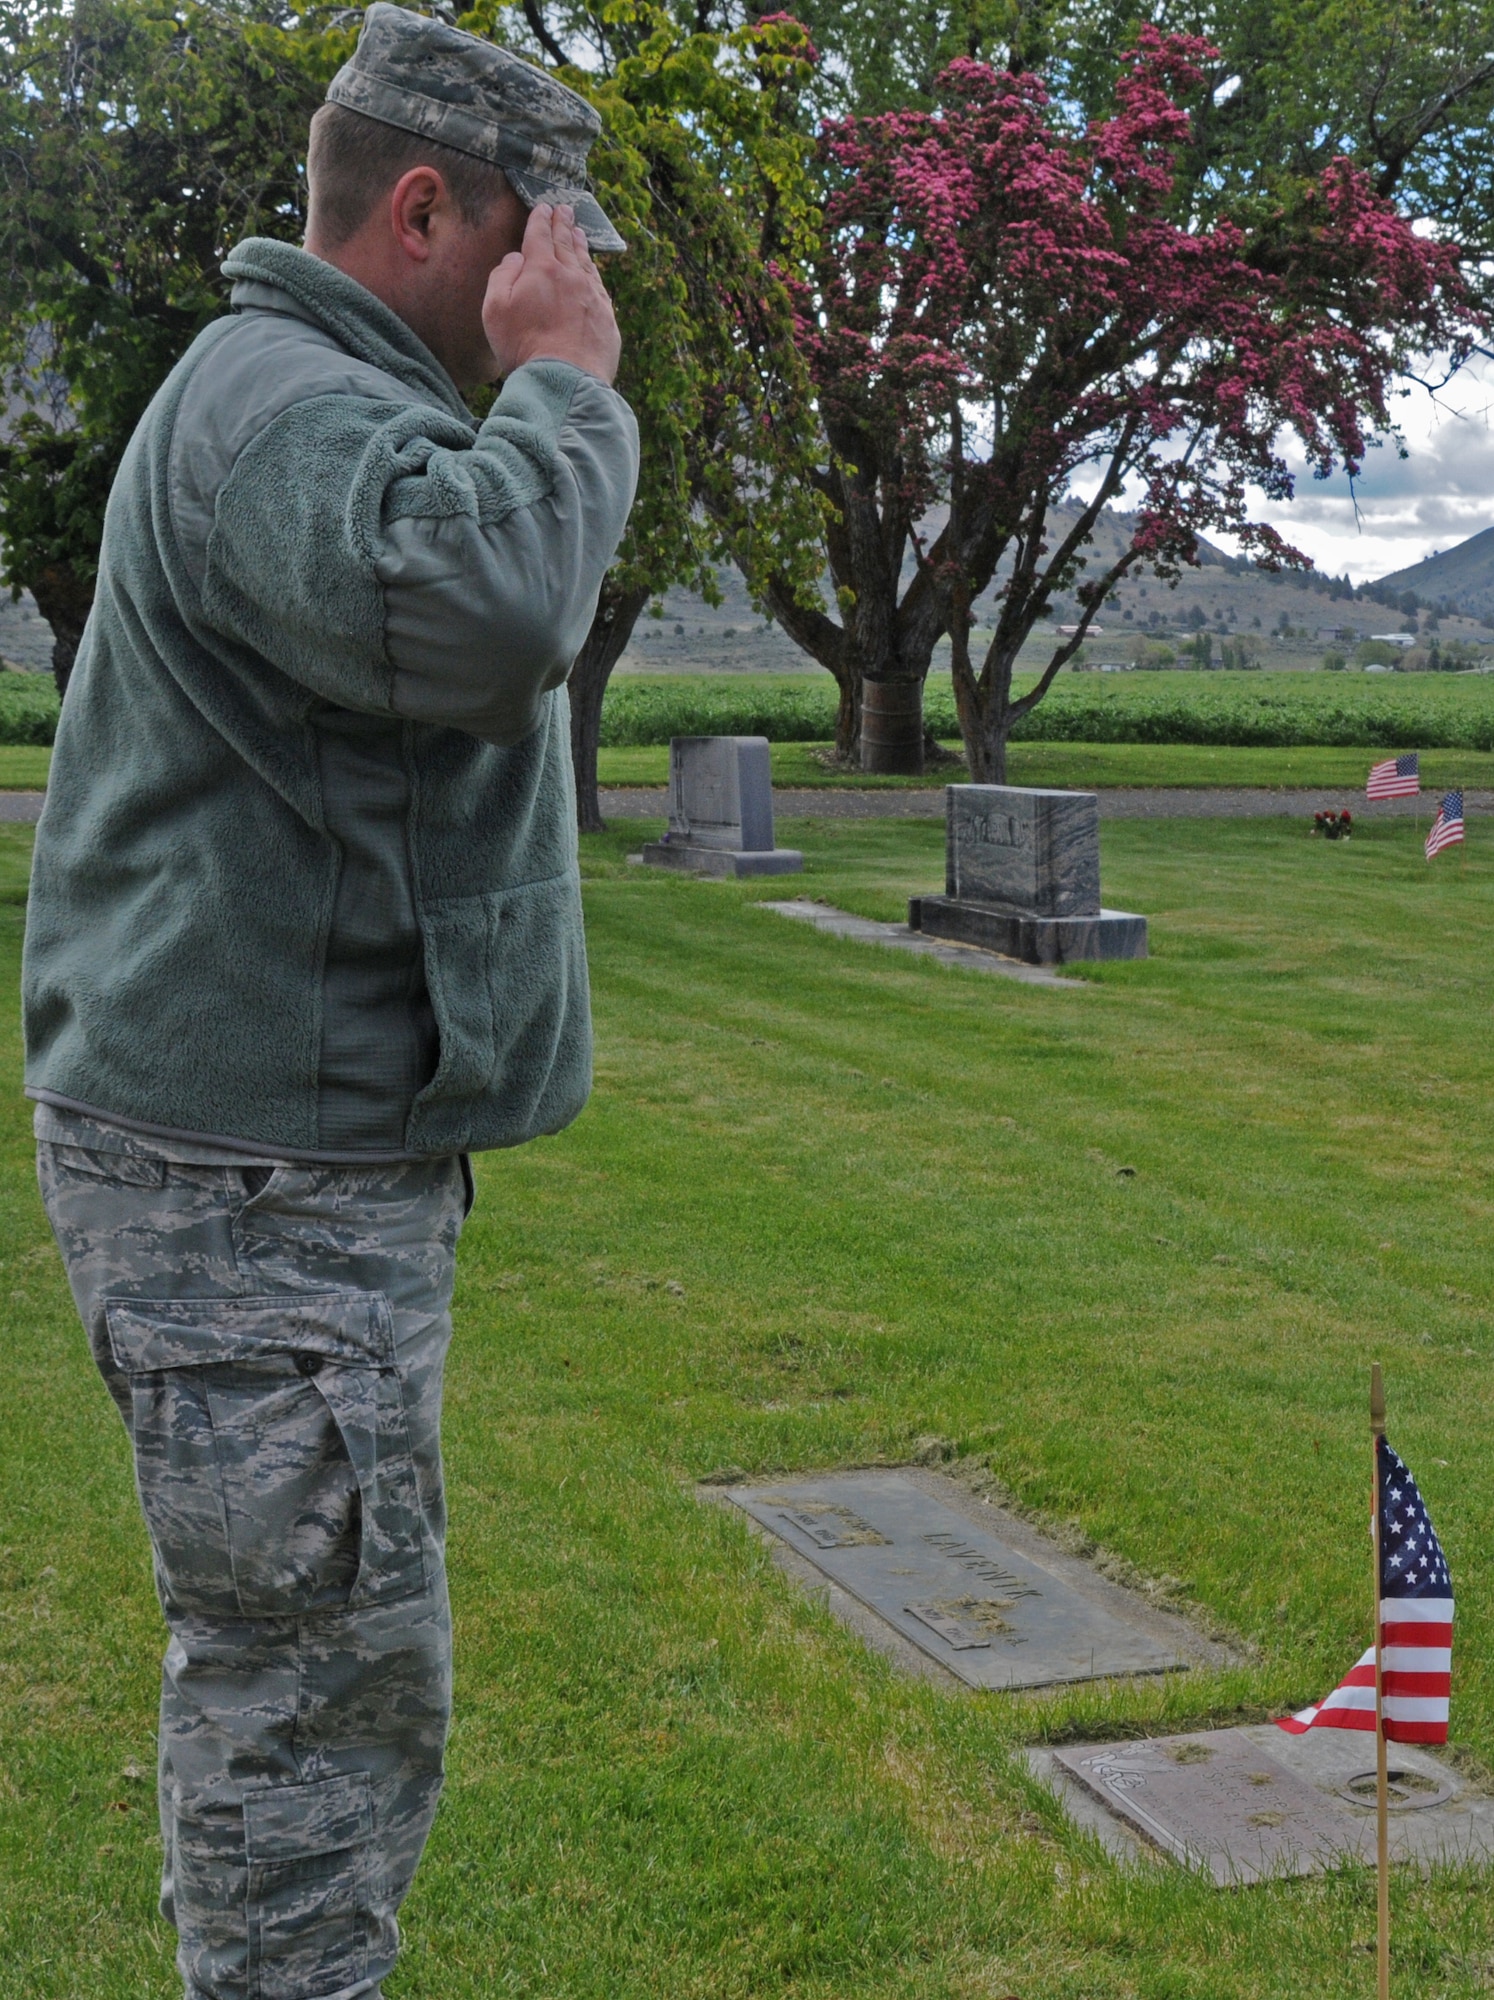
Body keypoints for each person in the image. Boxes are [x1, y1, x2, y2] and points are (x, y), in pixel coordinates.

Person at [22, 6, 638, 1994]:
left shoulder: (293, 395)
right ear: (426, 209)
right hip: (255, 1207)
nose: (576, 287)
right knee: (310, 1716)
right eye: (550, 244)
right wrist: (564, 394)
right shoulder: (280, 402)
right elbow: (485, 608)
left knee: (316, 1686)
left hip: (267, 1188)